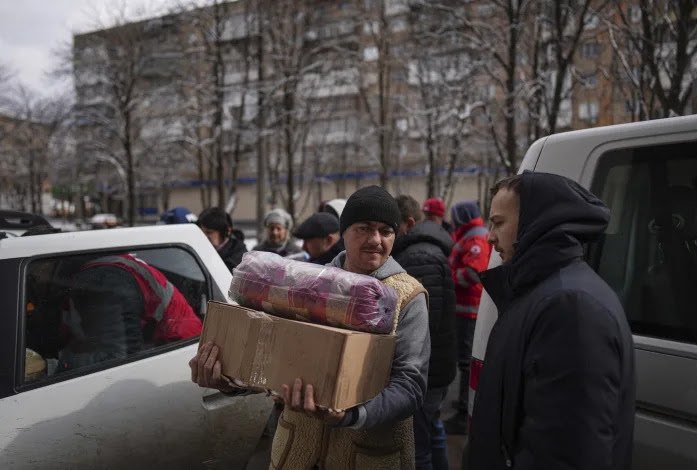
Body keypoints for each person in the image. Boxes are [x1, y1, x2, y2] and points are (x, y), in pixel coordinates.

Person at [190, 185, 431, 469]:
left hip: (367, 456)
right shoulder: (308, 284)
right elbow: (271, 361)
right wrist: (229, 382)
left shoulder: (408, 296)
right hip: (297, 453)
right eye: (364, 228)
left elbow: (410, 386)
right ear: (343, 232)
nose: (375, 240)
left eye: (385, 231)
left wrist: (352, 414)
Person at [466, 172, 635, 469]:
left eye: (499, 222)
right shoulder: (541, 295)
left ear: (535, 223)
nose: (490, 236)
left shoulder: (571, 308)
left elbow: (565, 453)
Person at [393, 195, 456, 470]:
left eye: (389, 229)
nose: (385, 238)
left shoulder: (418, 256)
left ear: (407, 224)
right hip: (435, 367)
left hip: (426, 370)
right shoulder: (425, 250)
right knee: (432, 431)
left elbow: (422, 324)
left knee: (417, 448)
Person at [64, 253, 203, 370]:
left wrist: (60, 364)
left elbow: (119, 357)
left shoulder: (105, 281)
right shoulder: (105, 269)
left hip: (181, 348)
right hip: (175, 340)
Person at [444, 199, 491, 435]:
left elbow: (474, 272)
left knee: (466, 362)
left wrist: (448, 276)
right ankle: (463, 402)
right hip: (464, 307)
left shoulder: (475, 238)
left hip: (469, 309)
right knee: (464, 359)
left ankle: (465, 412)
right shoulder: (468, 234)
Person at [197, 207, 247, 271]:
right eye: (201, 232)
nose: (204, 236)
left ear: (227, 231)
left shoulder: (239, 256)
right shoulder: (198, 248)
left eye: (209, 232)